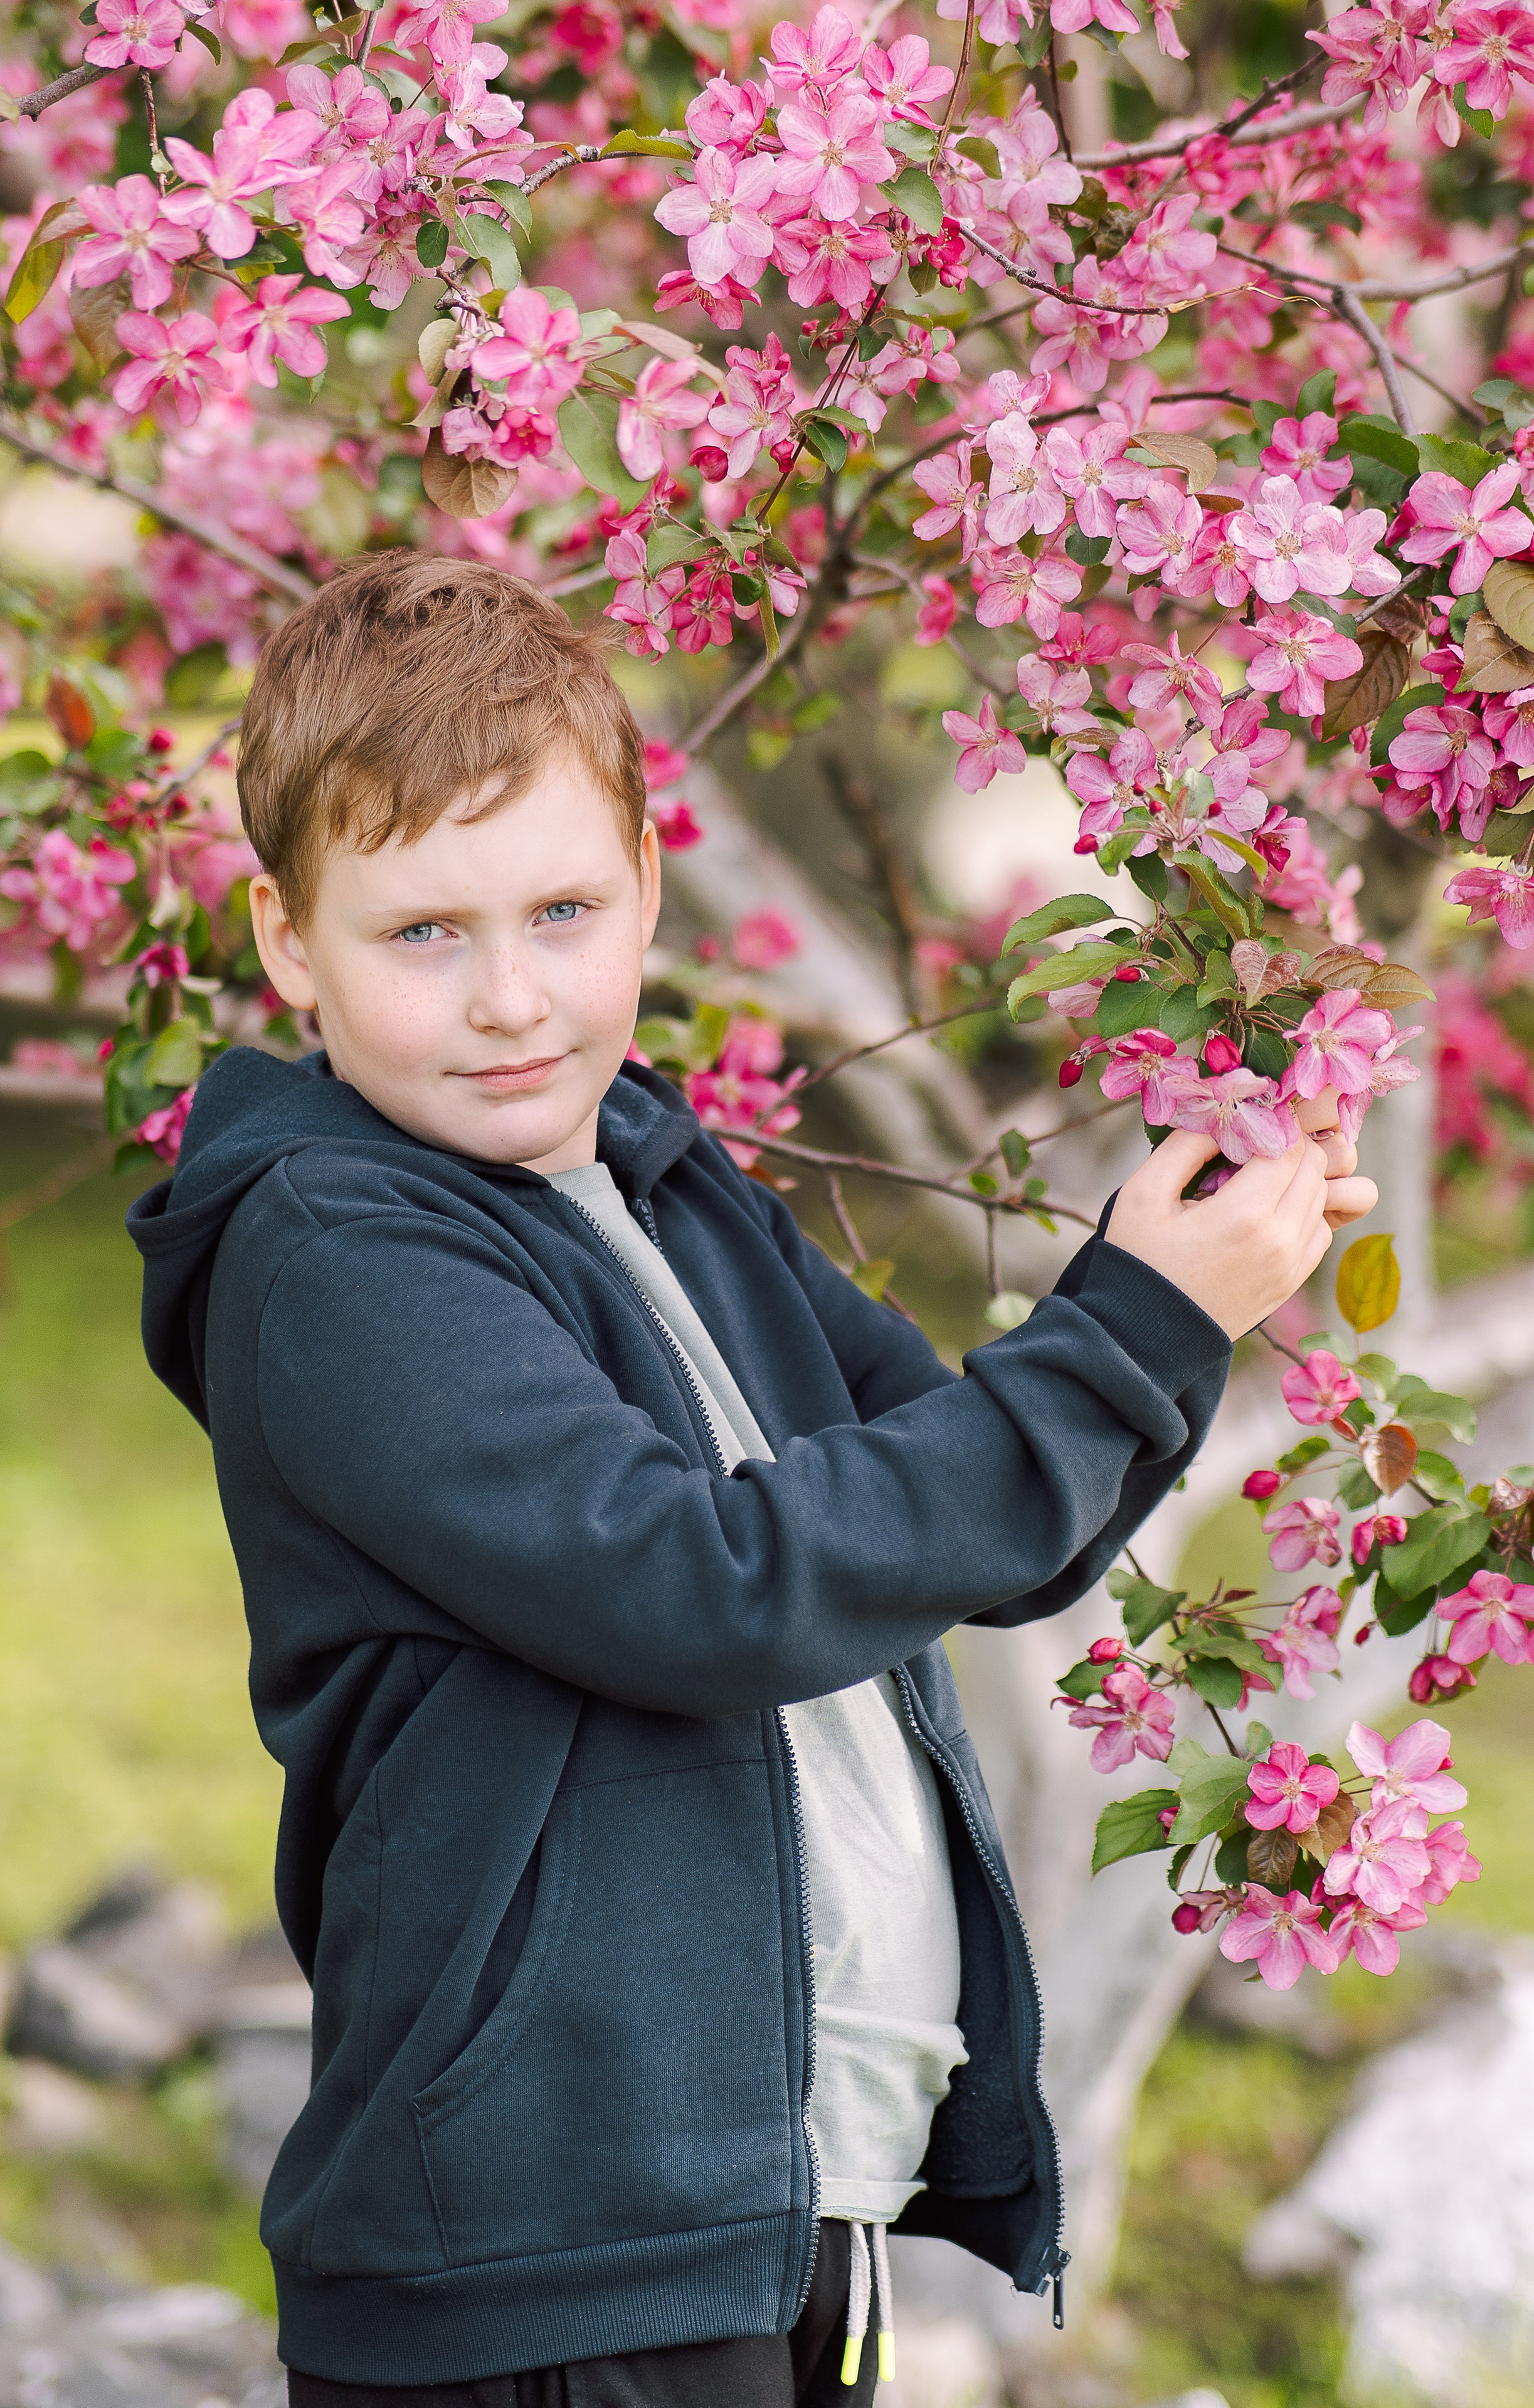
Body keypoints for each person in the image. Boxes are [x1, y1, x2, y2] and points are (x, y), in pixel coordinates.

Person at [129, 552, 1376, 2408]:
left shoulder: (661, 1181)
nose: (509, 999)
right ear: (290, 942)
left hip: (786, 2193)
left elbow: (976, 1533)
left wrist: (1179, 1286)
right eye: (423, 933)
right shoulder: (337, 1255)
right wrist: (1129, 1327)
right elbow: (703, 1586)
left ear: (651, 884)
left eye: (562, 911)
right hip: (553, 2250)